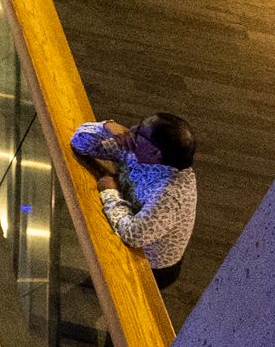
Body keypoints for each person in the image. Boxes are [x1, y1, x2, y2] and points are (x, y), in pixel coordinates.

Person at [72, 112, 202, 285]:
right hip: (125, 238)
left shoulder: (172, 194)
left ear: (155, 152)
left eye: (140, 131)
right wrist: (107, 127)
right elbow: (80, 143)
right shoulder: (138, 150)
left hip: (148, 267)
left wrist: (110, 192)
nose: (131, 129)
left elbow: (133, 235)